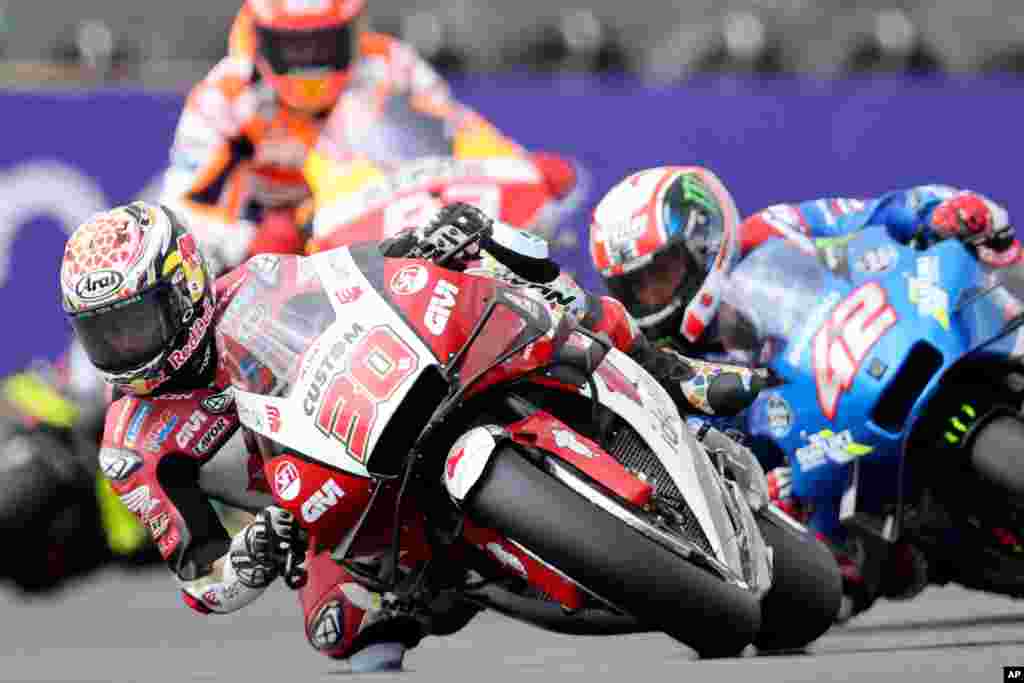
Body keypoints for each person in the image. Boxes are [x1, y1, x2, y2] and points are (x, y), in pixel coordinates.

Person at [61, 201, 762, 671]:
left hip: (380, 401)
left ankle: (673, 372)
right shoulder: (132, 443)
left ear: (184, 286)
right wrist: (248, 558)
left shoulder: (259, 281)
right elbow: (198, 576)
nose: (125, 348)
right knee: (342, 632)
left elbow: (352, 274)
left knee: (510, 265)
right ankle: (467, 579)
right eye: (105, 334)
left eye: (134, 323)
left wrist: (422, 246)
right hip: (321, 513)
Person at [588, 165, 1018, 612]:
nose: (652, 295)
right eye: (637, 286)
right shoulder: (667, 362)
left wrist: (936, 212)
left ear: (701, 240)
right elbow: (701, 458)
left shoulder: (775, 227)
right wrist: (757, 493)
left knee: (986, 283)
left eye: (661, 273)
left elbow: (877, 213)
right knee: (836, 586)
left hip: (872, 357)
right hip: (818, 469)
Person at [160, 0, 579, 277]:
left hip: (386, 234)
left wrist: (521, 166)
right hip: (278, 264)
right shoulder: (221, 96)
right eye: (295, 47)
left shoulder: (391, 63)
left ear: (352, 30)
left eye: (325, 43)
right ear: (260, 38)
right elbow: (180, 215)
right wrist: (250, 243)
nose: (312, 62)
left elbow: (460, 132)